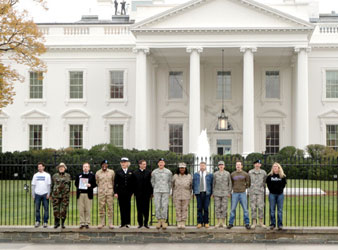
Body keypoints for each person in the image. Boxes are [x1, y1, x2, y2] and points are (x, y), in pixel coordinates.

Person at [227, 160, 251, 230]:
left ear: (241, 166)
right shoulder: (232, 174)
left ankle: (247, 223)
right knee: (232, 209)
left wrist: (244, 187)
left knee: (245, 209)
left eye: (239, 165)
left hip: (243, 193)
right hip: (235, 193)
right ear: (235, 166)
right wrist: (230, 191)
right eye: (237, 164)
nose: (238, 166)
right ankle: (231, 223)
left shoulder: (245, 174)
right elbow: (230, 183)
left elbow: (248, 183)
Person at [151, 158, 172, 229]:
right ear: (158, 163)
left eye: (162, 162)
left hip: (165, 191)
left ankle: (163, 221)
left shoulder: (168, 172)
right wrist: (155, 187)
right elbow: (152, 181)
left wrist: (168, 190)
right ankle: (158, 220)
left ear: (164, 163)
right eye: (160, 162)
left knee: (164, 206)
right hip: (157, 191)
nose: (161, 163)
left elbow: (170, 182)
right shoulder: (154, 172)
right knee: (157, 205)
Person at [75, 162, 97, 229]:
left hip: (88, 194)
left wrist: (90, 185)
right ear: (82, 168)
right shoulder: (79, 175)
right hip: (80, 194)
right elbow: (76, 183)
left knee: (88, 209)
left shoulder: (92, 175)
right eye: (84, 166)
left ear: (89, 168)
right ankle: (82, 223)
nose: (85, 168)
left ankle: (87, 223)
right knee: (81, 209)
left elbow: (95, 184)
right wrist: (80, 185)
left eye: (87, 167)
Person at [114, 157, 134, 228]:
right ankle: (123, 222)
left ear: (127, 163)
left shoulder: (131, 171)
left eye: (124, 162)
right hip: (121, 192)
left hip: (128, 193)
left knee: (128, 207)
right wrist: (115, 192)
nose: (123, 164)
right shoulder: (118, 172)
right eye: (122, 162)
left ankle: (128, 222)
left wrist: (132, 192)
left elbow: (133, 183)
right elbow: (115, 183)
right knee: (122, 207)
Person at [266, 162, 287, 230]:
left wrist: (280, 190)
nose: (275, 168)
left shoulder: (282, 176)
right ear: (272, 168)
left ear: (279, 168)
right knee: (272, 210)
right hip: (272, 194)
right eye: (274, 166)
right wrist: (272, 190)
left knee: (279, 210)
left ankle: (280, 224)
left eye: (276, 166)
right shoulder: (269, 176)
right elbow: (268, 184)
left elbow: (284, 185)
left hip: (280, 195)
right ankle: (272, 224)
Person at [133, 159, 153, 229]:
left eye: (145, 164)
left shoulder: (149, 172)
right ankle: (140, 223)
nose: (145, 165)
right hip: (138, 194)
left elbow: (151, 183)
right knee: (139, 209)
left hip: (147, 194)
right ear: (140, 164)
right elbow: (133, 184)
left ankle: (146, 223)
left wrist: (151, 193)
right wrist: (134, 192)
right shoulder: (135, 173)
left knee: (146, 209)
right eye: (143, 164)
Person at [193, 161, 213, 229]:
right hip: (198, 193)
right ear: (199, 166)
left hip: (206, 193)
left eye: (203, 166)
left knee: (206, 208)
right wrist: (194, 192)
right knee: (199, 208)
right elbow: (194, 184)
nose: (202, 167)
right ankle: (199, 222)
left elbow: (211, 184)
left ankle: (206, 222)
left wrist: (211, 193)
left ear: (205, 166)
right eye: (201, 166)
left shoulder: (209, 174)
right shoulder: (196, 174)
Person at [172, 162, 192, 229]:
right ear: (179, 168)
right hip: (177, 195)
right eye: (180, 168)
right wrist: (173, 194)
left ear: (185, 168)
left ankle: (183, 222)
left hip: (186, 195)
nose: (182, 169)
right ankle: (179, 222)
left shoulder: (189, 176)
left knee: (184, 209)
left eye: (183, 168)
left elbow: (191, 186)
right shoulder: (175, 176)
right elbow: (172, 185)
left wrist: (190, 194)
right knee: (178, 209)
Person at [96, 160, 115, 229]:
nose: (104, 165)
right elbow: (97, 182)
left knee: (110, 208)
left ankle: (110, 223)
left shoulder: (111, 172)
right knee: (101, 208)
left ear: (107, 165)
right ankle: (102, 223)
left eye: (106, 164)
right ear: (101, 165)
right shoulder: (98, 173)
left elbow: (113, 181)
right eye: (103, 164)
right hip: (101, 193)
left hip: (109, 192)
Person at [51, 162, 71, 229]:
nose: (61, 168)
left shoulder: (68, 176)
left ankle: (62, 223)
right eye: (60, 167)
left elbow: (69, 185)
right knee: (56, 210)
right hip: (56, 196)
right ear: (58, 168)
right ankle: (56, 223)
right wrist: (51, 194)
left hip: (65, 196)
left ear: (65, 168)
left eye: (62, 167)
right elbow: (52, 185)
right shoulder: (54, 176)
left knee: (64, 210)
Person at [31, 162, 51, 228]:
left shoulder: (47, 175)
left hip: (45, 194)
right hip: (37, 194)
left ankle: (45, 222)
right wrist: (33, 194)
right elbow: (33, 185)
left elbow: (49, 185)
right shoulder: (35, 175)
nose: (39, 168)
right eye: (38, 167)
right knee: (37, 209)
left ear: (43, 167)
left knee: (46, 209)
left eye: (40, 166)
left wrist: (48, 193)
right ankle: (37, 221)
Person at [248, 159, 267, 229]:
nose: (257, 165)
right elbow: (248, 181)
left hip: (260, 193)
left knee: (261, 207)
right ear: (254, 165)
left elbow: (265, 181)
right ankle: (254, 222)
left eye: (258, 163)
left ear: (260, 165)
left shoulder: (263, 172)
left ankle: (261, 222)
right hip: (252, 192)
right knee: (253, 207)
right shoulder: (250, 172)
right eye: (256, 163)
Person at [213, 161, 231, 228]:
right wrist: (213, 192)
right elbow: (213, 183)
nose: (221, 166)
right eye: (220, 165)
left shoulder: (227, 173)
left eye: (222, 165)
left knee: (224, 208)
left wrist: (229, 192)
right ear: (218, 166)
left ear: (224, 166)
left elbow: (230, 183)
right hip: (217, 193)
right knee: (217, 208)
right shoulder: (215, 174)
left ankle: (223, 222)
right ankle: (218, 222)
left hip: (225, 193)